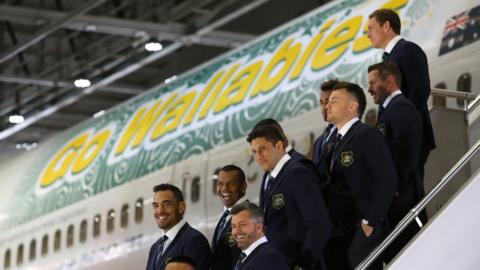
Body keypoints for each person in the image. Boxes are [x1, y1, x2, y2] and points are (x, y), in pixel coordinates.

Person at [324, 81, 397, 269]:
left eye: (334, 101)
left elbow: (387, 179)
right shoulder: (337, 142)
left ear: (353, 106)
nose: (327, 105)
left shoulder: (366, 135)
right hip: (344, 229)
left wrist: (370, 221)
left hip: (363, 226)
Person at [247, 125, 331, 269]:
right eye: (254, 152)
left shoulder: (297, 174)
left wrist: (304, 263)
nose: (258, 157)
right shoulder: (270, 177)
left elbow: (320, 224)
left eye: (262, 149)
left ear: (279, 146)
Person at [367, 8, 435, 178]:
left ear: (386, 26)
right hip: (396, 137)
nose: (367, 35)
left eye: (370, 28)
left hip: (410, 135)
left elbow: (419, 90)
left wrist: (406, 124)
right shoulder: (389, 58)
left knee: (411, 191)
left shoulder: (407, 50)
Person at [367, 62, 425, 261]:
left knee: (410, 253)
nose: (369, 89)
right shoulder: (390, 109)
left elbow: (405, 153)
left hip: (404, 198)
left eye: (373, 83)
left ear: (390, 81)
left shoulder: (401, 108)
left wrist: (393, 187)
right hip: (396, 199)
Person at [146, 184, 212, 270]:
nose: (160, 211)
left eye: (167, 204)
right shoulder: (154, 248)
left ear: (181, 207)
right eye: (155, 205)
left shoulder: (194, 241)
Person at [230, 201, 290, 270]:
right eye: (233, 226)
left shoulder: (271, 259)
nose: (236, 231)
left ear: (259, 228)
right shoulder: (244, 257)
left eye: (242, 225)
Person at [211, 165, 246, 270]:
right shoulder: (225, 217)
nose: (224, 189)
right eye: (220, 184)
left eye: (231, 184)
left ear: (243, 187)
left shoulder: (248, 216)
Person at [312, 79, 339, 194]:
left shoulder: (349, 133)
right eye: (321, 102)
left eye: (327, 101)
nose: (324, 107)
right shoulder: (318, 142)